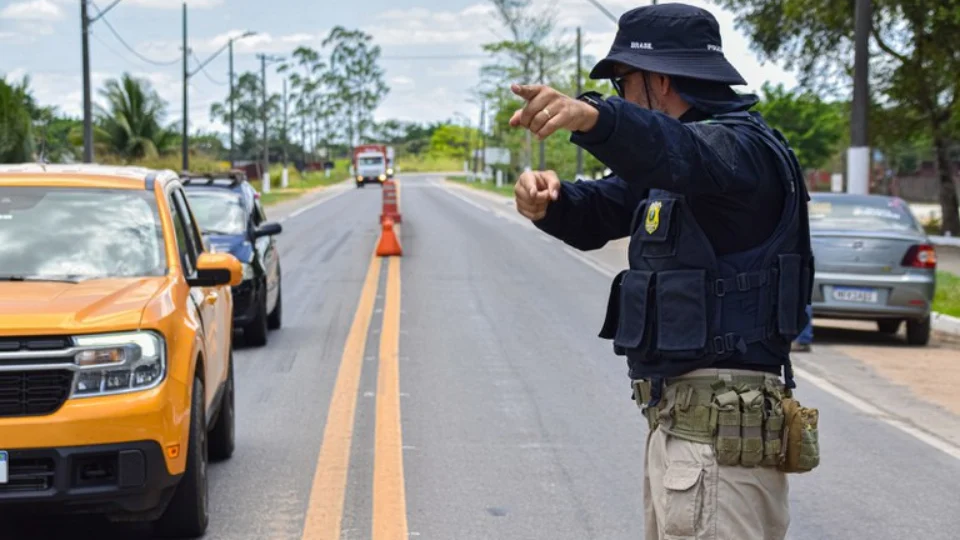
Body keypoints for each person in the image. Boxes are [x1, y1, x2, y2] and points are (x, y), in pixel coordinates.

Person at [506, 4, 817, 540]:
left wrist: (597, 117)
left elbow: (681, 152)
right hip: (684, 436)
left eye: (624, 81)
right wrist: (548, 204)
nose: (622, 93)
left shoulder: (735, 149)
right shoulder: (679, 165)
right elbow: (605, 206)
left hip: (721, 443)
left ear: (660, 79)